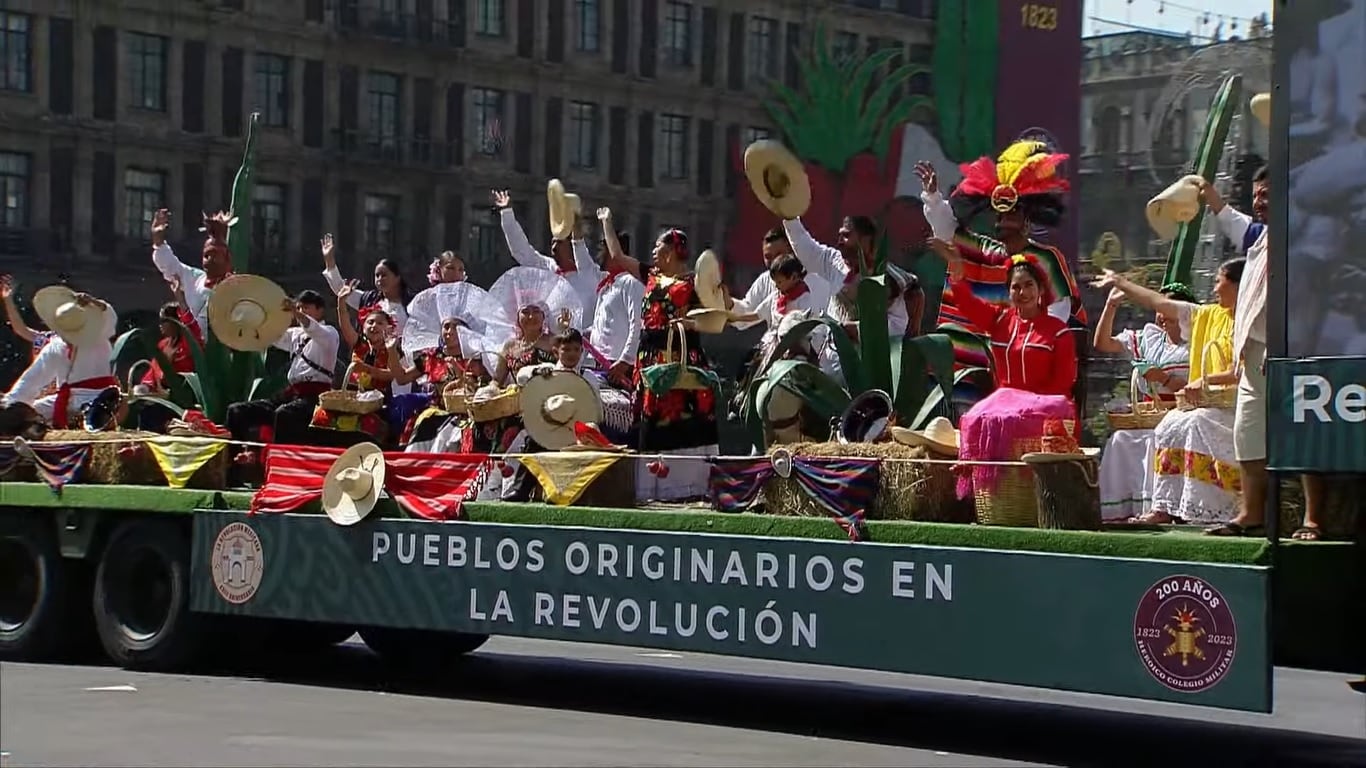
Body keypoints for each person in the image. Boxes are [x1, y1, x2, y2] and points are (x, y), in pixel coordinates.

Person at [1201, 167, 1327, 539]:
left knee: (1304, 435)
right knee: (1248, 435)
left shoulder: (1309, 237)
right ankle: (1251, 514)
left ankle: (1313, 520)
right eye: (1256, 195)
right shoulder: (1259, 238)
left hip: (1296, 351)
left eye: (1267, 195)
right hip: (1255, 354)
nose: (1259, 202)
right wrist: (1205, 191)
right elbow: (1228, 217)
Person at [915, 144, 1086, 408]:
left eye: (1012, 215)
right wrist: (933, 197)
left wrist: (1020, 347)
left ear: (1026, 221)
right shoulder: (979, 249)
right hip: (966, 366)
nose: (1004, 220)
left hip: (1022, 375)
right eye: (1000, 215)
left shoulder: (1046, 259)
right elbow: (946, 230)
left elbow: (1055, 318)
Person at [1093, 262, 1244, 527]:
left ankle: (1205, 510)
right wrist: (1121, 283)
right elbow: (1158, 303)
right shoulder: (1205, 315)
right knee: (1168, 425)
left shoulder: (1249, 319)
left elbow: (1239, 371)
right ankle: (1164, 507)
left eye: (1220, 281)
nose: (1215, 287)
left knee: (1195, 423)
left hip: (1235, 405)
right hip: (1205, 403)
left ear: (1238, 285)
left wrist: (1201, 381)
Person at [1094, 283, 1196, 521]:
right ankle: (1119, 509)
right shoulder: (1150, 339)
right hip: (1148, 414)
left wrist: (1164, 378)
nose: (1161, 317)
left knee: (1158, 437)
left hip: (1184, 413)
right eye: (1159, 310)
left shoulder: (1196, 343)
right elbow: (1103, 343)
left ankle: (1161, 508)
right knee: (1120, 439)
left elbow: (1201, 388)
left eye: (1167, 310)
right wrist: (1111, 305)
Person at [226, 290, 339, 457]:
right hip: (291, 395)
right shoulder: (295, 334)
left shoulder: (329, 333)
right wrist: (251, 317)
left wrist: (295, 312)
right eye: (299, 307)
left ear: (320, 310)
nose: (300, 311)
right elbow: (270, 336)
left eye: (305, 307)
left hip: (314, 399)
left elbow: (313, 328)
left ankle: (276, 463)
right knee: (236, 411)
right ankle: (234, 461)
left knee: (284, 414)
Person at [782, 213, 917, 341]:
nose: (840, 241)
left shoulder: (888, 276)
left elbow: (899, 323)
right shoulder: (834, 261)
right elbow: (807, 249)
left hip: (872, 360)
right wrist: (790, 218)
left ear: (865, 239)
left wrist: (856, 329)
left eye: (846, 235)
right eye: (840, 235)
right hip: (834, 356)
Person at [0, 289, 118, 429]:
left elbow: (109, 317)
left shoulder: (98, 336)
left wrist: (95, 303)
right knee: (27, 414)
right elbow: (33, 378)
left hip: (102, 397)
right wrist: (9, 402)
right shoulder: (55, 345)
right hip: (68, 399)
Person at [492, 189, 599, 325]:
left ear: (572, 245)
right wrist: (506, 213)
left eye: (559, 243)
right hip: (550, 343)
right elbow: (521, 250)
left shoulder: (590, 275)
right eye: (552, 242)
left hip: (581, 343)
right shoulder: (547, 268)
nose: (554, 248)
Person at [149, 208, 234, 335]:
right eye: (206, 255)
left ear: (227, 258)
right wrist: (158, 241)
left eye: (215, 255)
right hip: (193, 350)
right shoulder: (195, 279)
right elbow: (171, 266)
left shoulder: (236, 289)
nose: (209, 260)